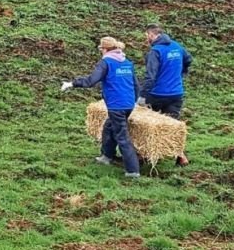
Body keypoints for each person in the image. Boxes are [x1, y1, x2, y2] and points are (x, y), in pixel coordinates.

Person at [61, 36, 141, 178]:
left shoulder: (106, 63)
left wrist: (73, 83)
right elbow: (136, 85)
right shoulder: (127, 63)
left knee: (122, 137)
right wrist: (133, 101)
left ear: (104, 49)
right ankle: (106, 156)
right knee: (108, 127)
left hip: (116, 105)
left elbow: (91, 80)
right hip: (128, 104)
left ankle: (133, 171)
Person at [143, 26, 193, 166]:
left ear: (152, 35)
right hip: (176, 93)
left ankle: (145, 155)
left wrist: (142, 95)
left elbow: (150, 76)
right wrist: (180, 73)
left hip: (156, 94)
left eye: (146, 36)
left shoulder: (156, 51)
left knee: (149, 126)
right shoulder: (177, 46)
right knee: (172, 125)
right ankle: (181, 156)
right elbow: (188, 59)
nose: (146, 39)